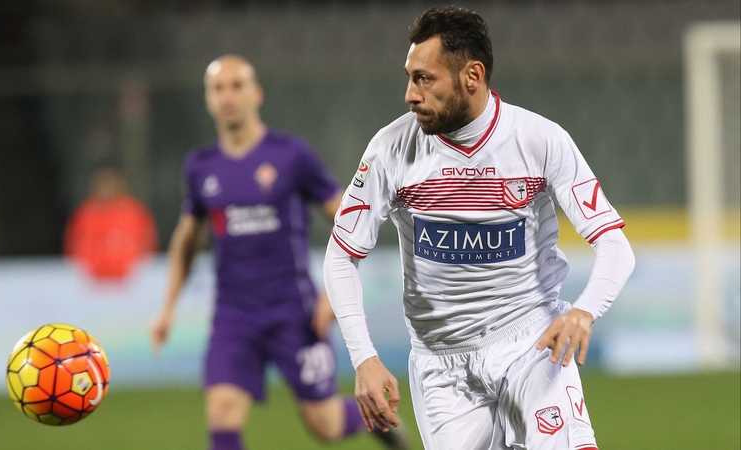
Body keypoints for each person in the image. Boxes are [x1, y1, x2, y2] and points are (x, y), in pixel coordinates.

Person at [323, 6, 635, 450]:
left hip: (532, 341)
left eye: (424, 78)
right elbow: (342, 255)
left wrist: (583, 311)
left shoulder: (539, 140)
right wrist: (364, 358)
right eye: (410, 77)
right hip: (440, 363)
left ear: (472, 75)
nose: (410, 95)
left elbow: (615, 244)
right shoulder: (390, 149)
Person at [150, 55, 408, 450]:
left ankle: (386, 426)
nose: (228, 96)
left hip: (294, 312)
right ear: (208, 99)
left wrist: (332, 296)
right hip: (233, 316)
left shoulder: (291, 156)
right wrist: (168, 307)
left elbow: (350, 221)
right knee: (221, 410)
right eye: (218, 88)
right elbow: (188, 239)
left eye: (237, 85)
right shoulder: (201, 166)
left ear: (257, 94)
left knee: (325, 424)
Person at [64, 166, 157, 281]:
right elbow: (72, 248)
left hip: (130, 285)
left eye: (110, 182)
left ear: (120, 184)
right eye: (102, 182)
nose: (106, 187)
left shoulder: (136, 213)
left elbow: (148, 247)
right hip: (90, 286)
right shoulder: (84, 215)